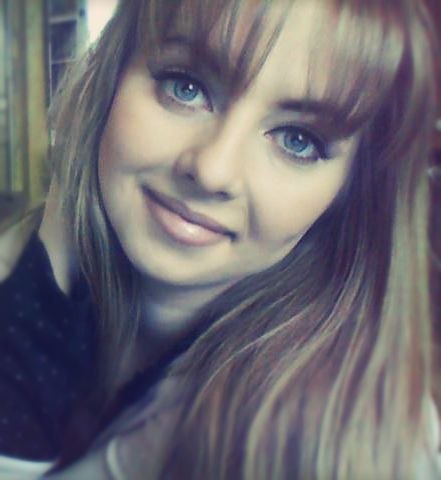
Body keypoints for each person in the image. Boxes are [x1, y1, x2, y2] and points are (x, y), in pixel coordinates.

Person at [0, 0, 439, 478]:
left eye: (297, 139)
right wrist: (40, 277)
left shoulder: (351, 440)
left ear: (350, 195)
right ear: (110, 77)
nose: (213, 170)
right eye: (185, 86)